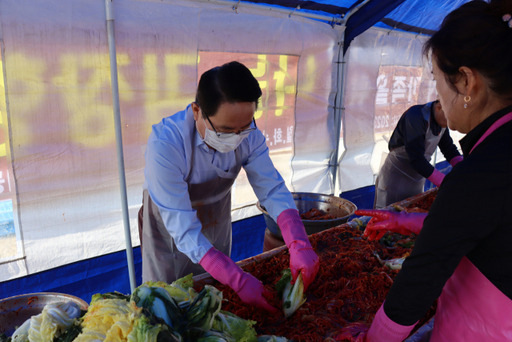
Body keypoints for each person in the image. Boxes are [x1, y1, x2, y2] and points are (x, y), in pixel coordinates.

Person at [340, 0, 512, 340]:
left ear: (465, 82)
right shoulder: (493, 150)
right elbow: (482, 228)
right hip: (397, 170)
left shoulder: (484, 172)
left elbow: (419, 280)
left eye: (437, 80)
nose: (439, 95)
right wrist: (405, 220)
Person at [140, 61, 319, 312]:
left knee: (215, 298)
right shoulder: (166, 144)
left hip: (215, 220)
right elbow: (184, 230)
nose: (236, 138)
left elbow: (271, 189)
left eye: (243, 129)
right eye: (225, 131)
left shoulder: (250, 134)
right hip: (170, 230)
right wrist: (238, 279)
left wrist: (298, 241)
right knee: (167, 305)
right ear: (196, 111)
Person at [374, 100, 462, 209]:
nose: (450, 124)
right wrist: (445, 183)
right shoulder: (416, 116)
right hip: (395, 177)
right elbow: (417, 159)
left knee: (411, 210)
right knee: (388, 212)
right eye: (449, 119)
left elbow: (448, 148)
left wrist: (462, 168)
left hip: (417, 178)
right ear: (439, 107)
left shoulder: (443, 120)